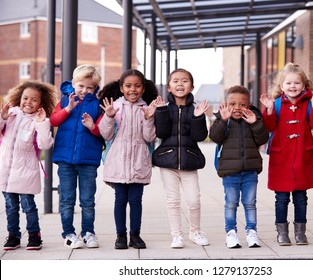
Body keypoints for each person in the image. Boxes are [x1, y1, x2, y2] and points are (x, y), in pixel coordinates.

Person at [260, 62, 313, 246]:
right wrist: (270, 110)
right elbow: (270, 126)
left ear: (304, 85)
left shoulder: (309, 103)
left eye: (297, 83)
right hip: (281, 158)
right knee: (281, 198)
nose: (293, 87)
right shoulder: (277, 104)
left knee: (301, 197)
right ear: (281, 86)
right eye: (288, 83)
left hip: (302, 158)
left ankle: (300, 232)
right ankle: (282, 233)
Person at [97, 69, 159, 250]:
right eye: (128, 86)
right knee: (120, 200)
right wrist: (108, 116)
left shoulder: (146, 108)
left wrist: (148, 118)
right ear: (122, 88)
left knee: (136, 201)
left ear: (143, 88)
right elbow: (106, 134)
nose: (133, 89)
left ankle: (135, 235)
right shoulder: (114, 107)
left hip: (139, 161)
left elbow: (149, 137)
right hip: (118, 162)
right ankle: (121, 236)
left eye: (137, 86)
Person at [152, 68, 210, 248]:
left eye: (184, 81)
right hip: (167, 161)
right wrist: (160, 112)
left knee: (194, 200)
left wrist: (198, 117)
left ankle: (195, 232)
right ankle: (176, 235)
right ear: (169, 87)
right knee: (173, 201)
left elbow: (199, 136)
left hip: (189, 160)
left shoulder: (195, 109)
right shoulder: (164, 108)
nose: (180, 84)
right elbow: (160, 133)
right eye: (175, 81)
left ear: (192, 87)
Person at [209, 85, 269, 249]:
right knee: (231, 203)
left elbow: (262, 139)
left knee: (250, 203)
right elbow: (215, 136)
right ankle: (231, 233)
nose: (237, 108)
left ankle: (251, 232)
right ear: (226, 104)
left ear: (248, 106)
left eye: (242, 104)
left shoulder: (253, 120)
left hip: (250, 171)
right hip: (230, 173)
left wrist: (255, 123)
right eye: (232, 104)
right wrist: (223, 120)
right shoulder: (222, 121)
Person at [50, 64, 103, 249]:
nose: (84, 90)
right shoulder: (65, 101)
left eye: (89, 87)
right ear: (73, 84)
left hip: (88, 160)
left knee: (88, 200)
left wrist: (92, 127)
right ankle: (69, 233)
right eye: (81, 86)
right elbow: (54, 120)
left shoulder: (97, 105)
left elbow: (103, 132)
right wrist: (68, 109)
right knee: (66, 199)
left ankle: (88, 232)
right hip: (65, 160)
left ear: (95, 88)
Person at [0, 80, 57, 250]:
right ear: (19, 97)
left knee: (28, 206)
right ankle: (13, 236)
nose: (28, 102)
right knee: (10, 207)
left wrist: (41, 123)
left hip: (26, 170)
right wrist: (2, 118)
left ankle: (34, 235)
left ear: (41, 103)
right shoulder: (11, 114)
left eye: (34, 100)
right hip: (6, 169)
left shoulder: (39, 120)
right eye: (25, 98)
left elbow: (45, 144)